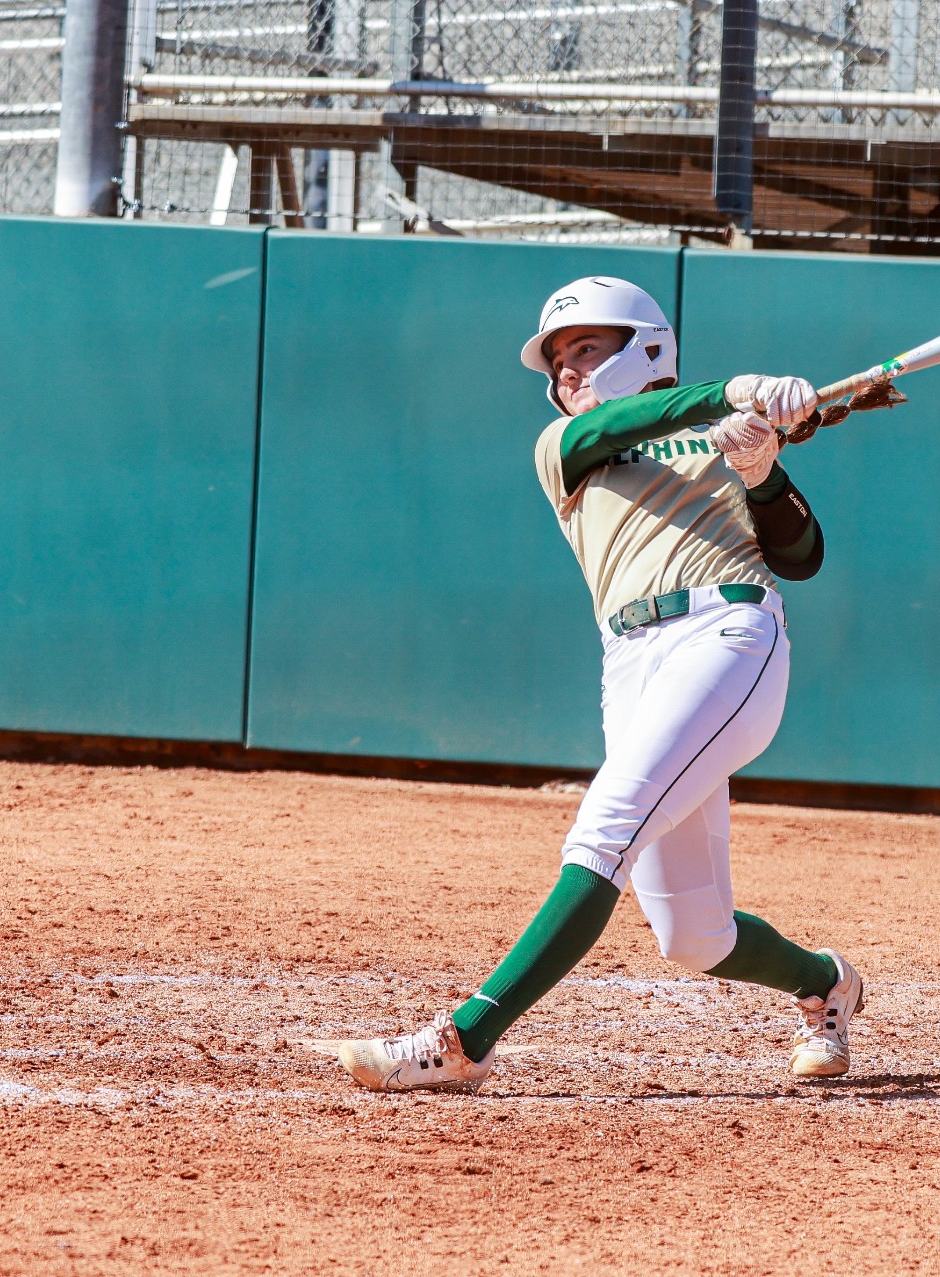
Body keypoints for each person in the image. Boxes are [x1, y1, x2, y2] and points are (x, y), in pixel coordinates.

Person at [333, 275, 863, 1091]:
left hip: (727, 634)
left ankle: (466, 1038)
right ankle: (826, 984)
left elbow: (802, 556)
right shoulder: (566, 445)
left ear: (644, 345)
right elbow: (627, 420)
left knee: (604, 830)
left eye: (585, 348)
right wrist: (732, 392)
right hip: (631, 661)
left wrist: (759, 471)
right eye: (556, 360)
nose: (566, 372)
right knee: (693, 933)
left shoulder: (719, 438)